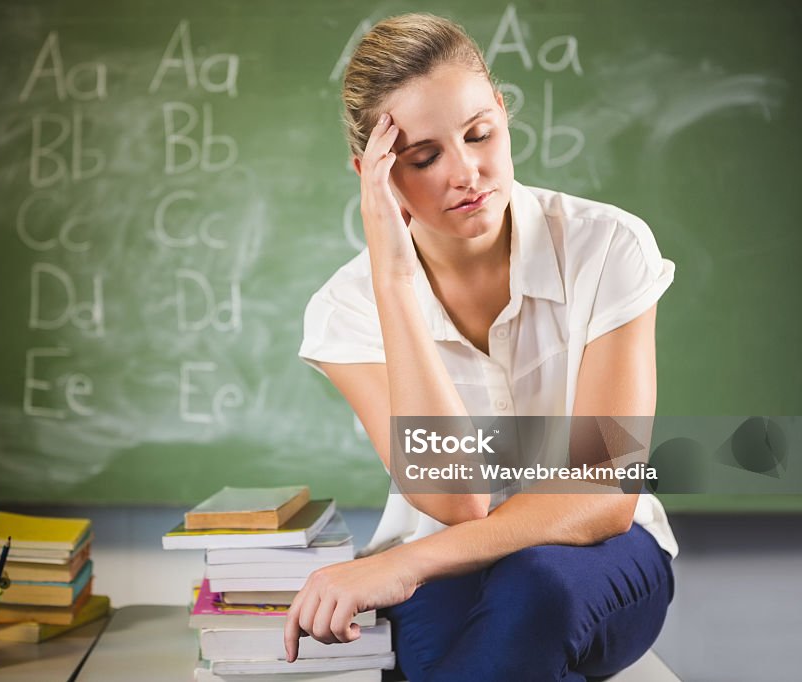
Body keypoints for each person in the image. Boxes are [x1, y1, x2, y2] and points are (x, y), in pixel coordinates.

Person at [287, 13, 677, 682]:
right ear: (373, 175)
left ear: (501, 110)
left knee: (535, 588)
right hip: (445, 567)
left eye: (479, 134)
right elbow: (456, 497)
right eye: (425, 157)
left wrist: (404, 563)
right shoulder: (346, 309)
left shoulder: (609, 246)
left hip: (600, 555)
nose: (468, 171)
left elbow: (605, 488)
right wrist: (394, 278)